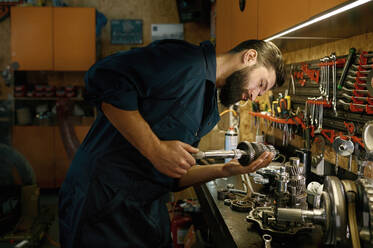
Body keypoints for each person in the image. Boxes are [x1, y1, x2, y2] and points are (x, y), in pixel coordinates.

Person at [58, 39, 285, 248]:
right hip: (102, 205)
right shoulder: (185, 61)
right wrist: (155, 149)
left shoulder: (206, 105)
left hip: (145, 208)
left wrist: (224, 169)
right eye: (261, 84)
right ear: (250, 57)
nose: (255, 96)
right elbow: (103, 78)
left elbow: (172, 175)